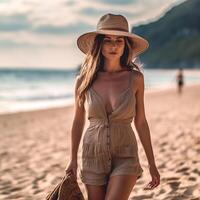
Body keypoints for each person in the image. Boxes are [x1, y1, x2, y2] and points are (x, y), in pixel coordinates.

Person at [65, 13, 160, 200]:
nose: (114, 45)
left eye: (119, 40)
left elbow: (141, 122)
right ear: (99, 44)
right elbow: (78, 121)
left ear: (126, 45)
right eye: (108, 40)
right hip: (92, 155)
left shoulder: (136, 79)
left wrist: (152, 163)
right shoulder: (83, 81)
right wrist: (73, 159)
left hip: (126, 155)